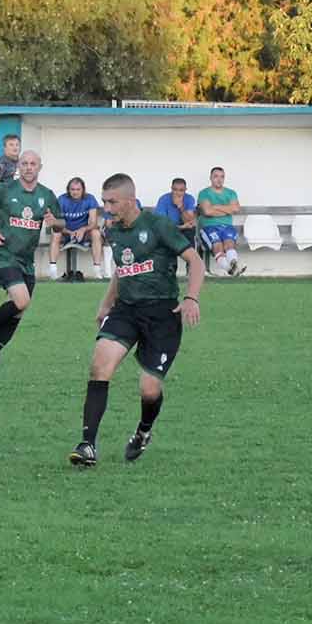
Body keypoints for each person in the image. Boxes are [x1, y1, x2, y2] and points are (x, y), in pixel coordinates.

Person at [70, 172, 204, 467]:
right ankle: (87, 445)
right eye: (104, 202)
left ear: (131, 200)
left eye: (112, 202)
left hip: (162, 314)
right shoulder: (114, 231)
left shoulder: (158, 225)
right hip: (126, 310)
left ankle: (143, 431)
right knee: (99, 366)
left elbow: (195, 260)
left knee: (149, 388)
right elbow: (122, 270)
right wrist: (106, 304)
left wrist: (191, 298)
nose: (107, 208)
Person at [0, 150, 60, 365]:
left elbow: (61, 224)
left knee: (19, 310)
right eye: (24, 163)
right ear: (18, 167)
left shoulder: (47, 195)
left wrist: (55, 223)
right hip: (4, 255)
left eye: (33, 164)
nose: (28, 167)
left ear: (40, 167)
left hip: (27, 260)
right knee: (21, 301)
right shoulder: (4, 189)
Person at [49, 177, 103, 281]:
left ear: (83, 190)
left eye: (78, 189)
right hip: (66, 232)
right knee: (56, 233)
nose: (75, 192)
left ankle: (97, 270)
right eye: (72, 189)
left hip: (84, 233)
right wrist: (69, 232)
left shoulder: (90, 199)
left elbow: (93, 223)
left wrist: (83, 229)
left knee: (96, 233)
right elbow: (56, 223)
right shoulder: (62, 200)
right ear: (68, 190)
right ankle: (53, 270)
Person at [196, 166, 246, 276]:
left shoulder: (231, 193)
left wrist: (215, 207)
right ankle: (230, 269)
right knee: (217, 246)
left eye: (222, 177)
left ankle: (233, 264)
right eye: (216, 176)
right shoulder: (204, 193)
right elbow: (207, 212)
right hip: (209, 226)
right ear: (210, 178)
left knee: (229, 245)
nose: (219, 179)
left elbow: (235, 209)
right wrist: (227, 210)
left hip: (227, 226)